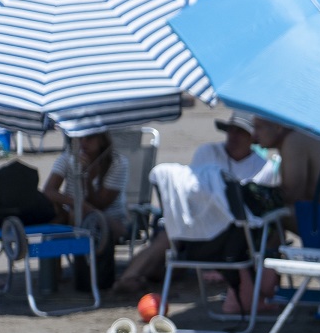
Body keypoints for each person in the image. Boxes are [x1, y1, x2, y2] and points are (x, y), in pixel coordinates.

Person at [113, 112, 270, 294]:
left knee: (169, 254)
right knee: (168, 238)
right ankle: (128, 279)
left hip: (230, 232)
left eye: (240, 132)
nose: (233, 136)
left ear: (253, 137)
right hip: (195, 219)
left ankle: (141, 276)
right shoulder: (208, 152)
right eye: (230, 130)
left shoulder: (262, 167)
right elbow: (191, 191)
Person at [43, 132, 128, 283]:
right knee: (56, 217)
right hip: (75, 214)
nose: (83, 142)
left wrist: (85, 179)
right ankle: (52, 277)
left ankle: (85, 277)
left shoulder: (117, 163)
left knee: (79, 215)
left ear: (102, 139)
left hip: (109, 217)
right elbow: (48, 190)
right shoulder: (68, 157)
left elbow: (101, 204)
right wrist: (76, 203)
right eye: (79, 138)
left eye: (89, 137)